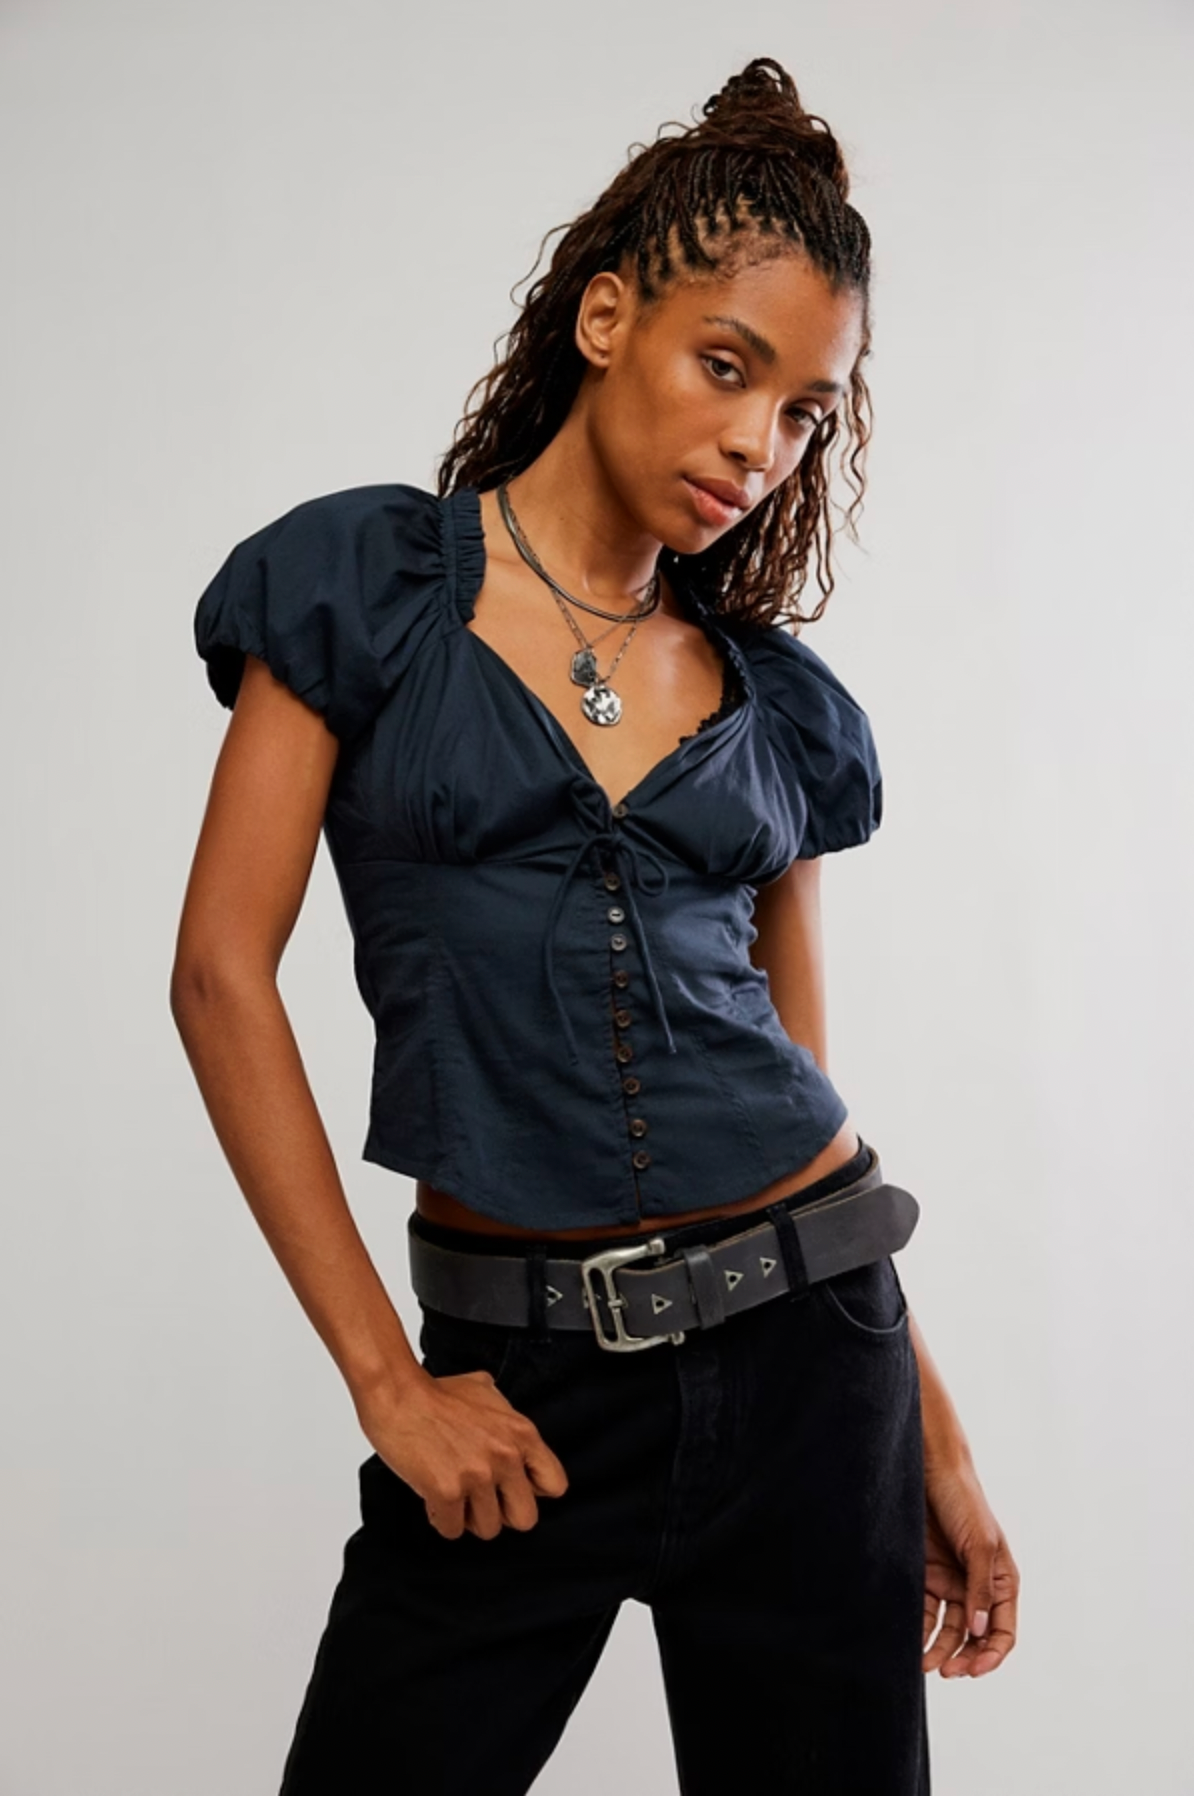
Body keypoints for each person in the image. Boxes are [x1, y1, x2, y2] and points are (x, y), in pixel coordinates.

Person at [171, 55, 1019, 1796]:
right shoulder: (362, 590)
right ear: (608, 316)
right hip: (516, 1391)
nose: (755, 443)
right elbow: (216, 976)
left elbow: (808, 1089)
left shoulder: (777, 709)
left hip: (815, 1365)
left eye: (803, 413)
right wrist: (384, 1383)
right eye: (730, 366)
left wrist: (928, 1435)